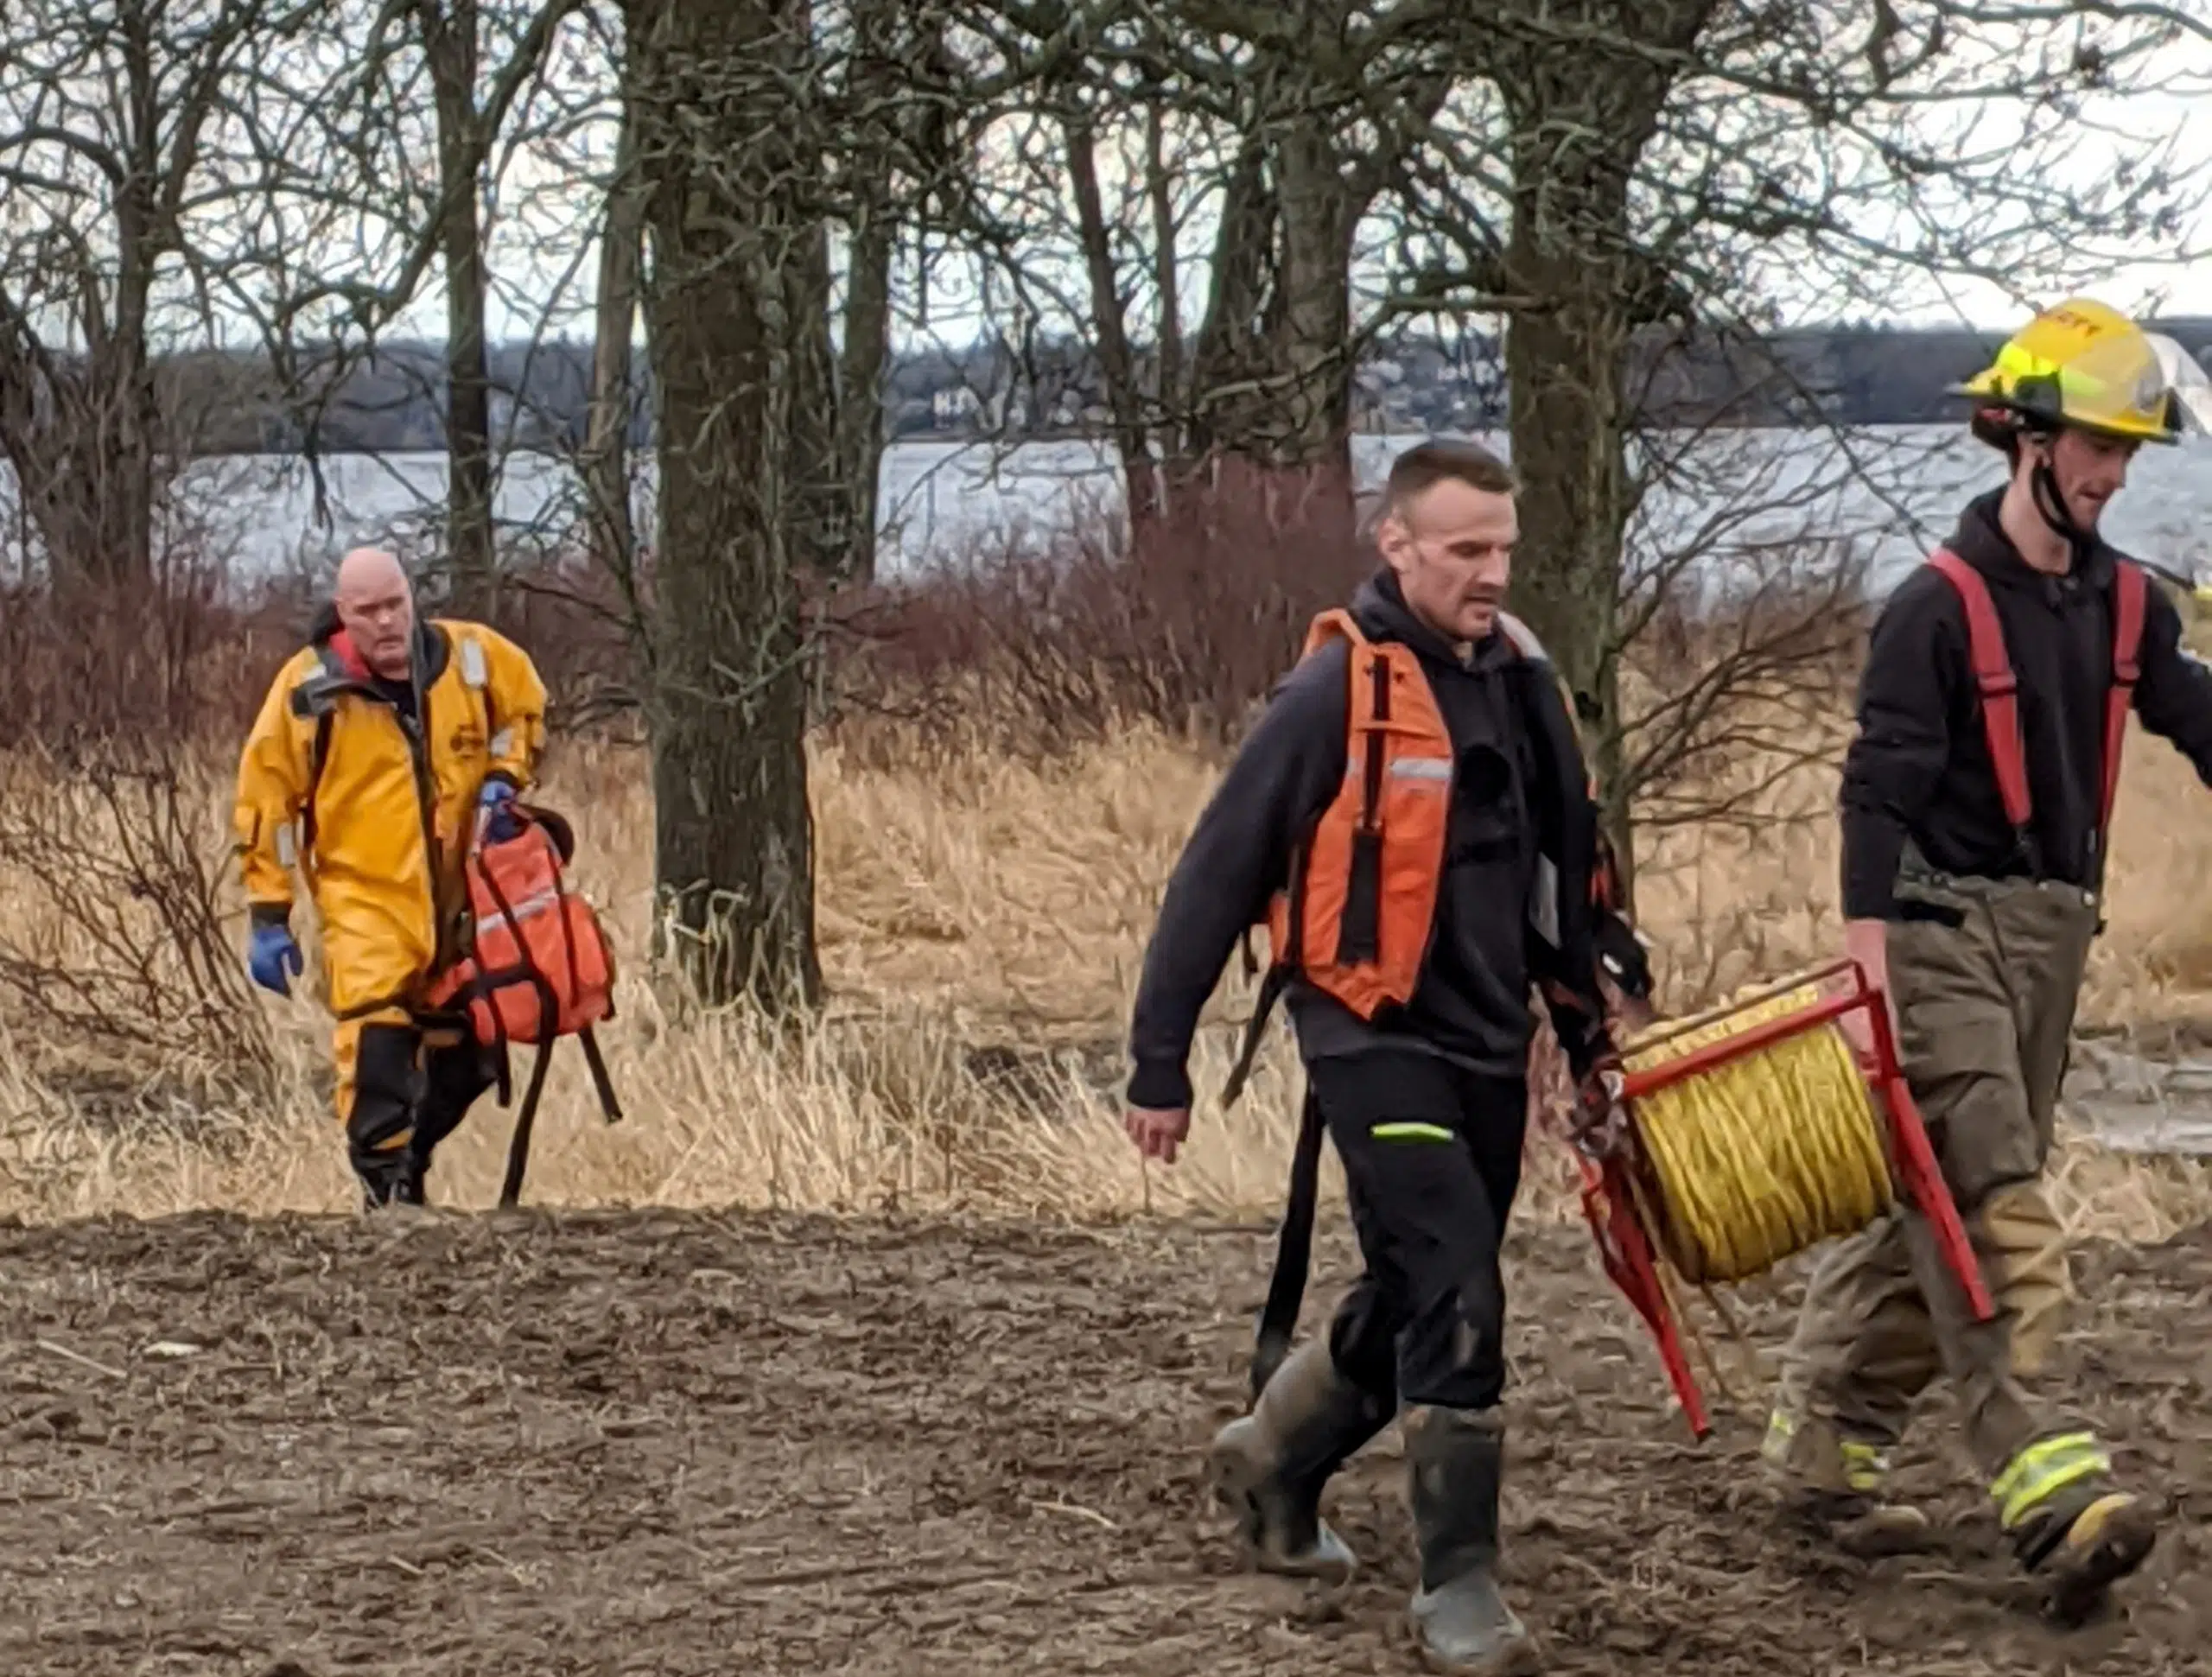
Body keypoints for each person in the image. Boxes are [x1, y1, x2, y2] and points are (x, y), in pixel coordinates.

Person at [1122, 438, 1631, 1676]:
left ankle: (1274, 1460)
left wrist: (1587, 1032)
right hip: (1367, 1033)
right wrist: (1160, 1063)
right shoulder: (1328, 697)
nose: (1491, 572)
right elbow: (1214, 874)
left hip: (1484, 1036)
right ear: (1396, 546)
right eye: (1465, 550)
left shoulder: (1524, 686)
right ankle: (1457, 1590)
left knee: (1417, 1282)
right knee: (1460, 1288)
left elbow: (1567, 880)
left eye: (1503, 549)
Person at [1763, 297, 2212, 1617]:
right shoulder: (1931, 612)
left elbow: (2200, 722)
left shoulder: (2129, 601)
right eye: (2097, 447)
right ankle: (2049, 1487)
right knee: (1993, 1206)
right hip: (1932, 936)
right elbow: (1874, 797)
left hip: (2050, 945)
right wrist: (1864, 980)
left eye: (2130, 455)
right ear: (2021, 435)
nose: (2114, 474)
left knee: (1923, 1205)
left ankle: (1820, 1460)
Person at [232, 547, 549, 1210]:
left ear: (412, 598)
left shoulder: (474, 659)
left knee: (475, 1050)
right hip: (366, 903)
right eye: (368, 610)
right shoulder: (310, 692)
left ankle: (411, 1162)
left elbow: (524, 714)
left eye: (395, 604)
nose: (385, 621)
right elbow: (269, 802)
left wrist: (502, 780)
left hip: (462, 900)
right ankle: (386, 1194)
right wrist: (269, 910)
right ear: (344, 614)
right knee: (376, 1043)